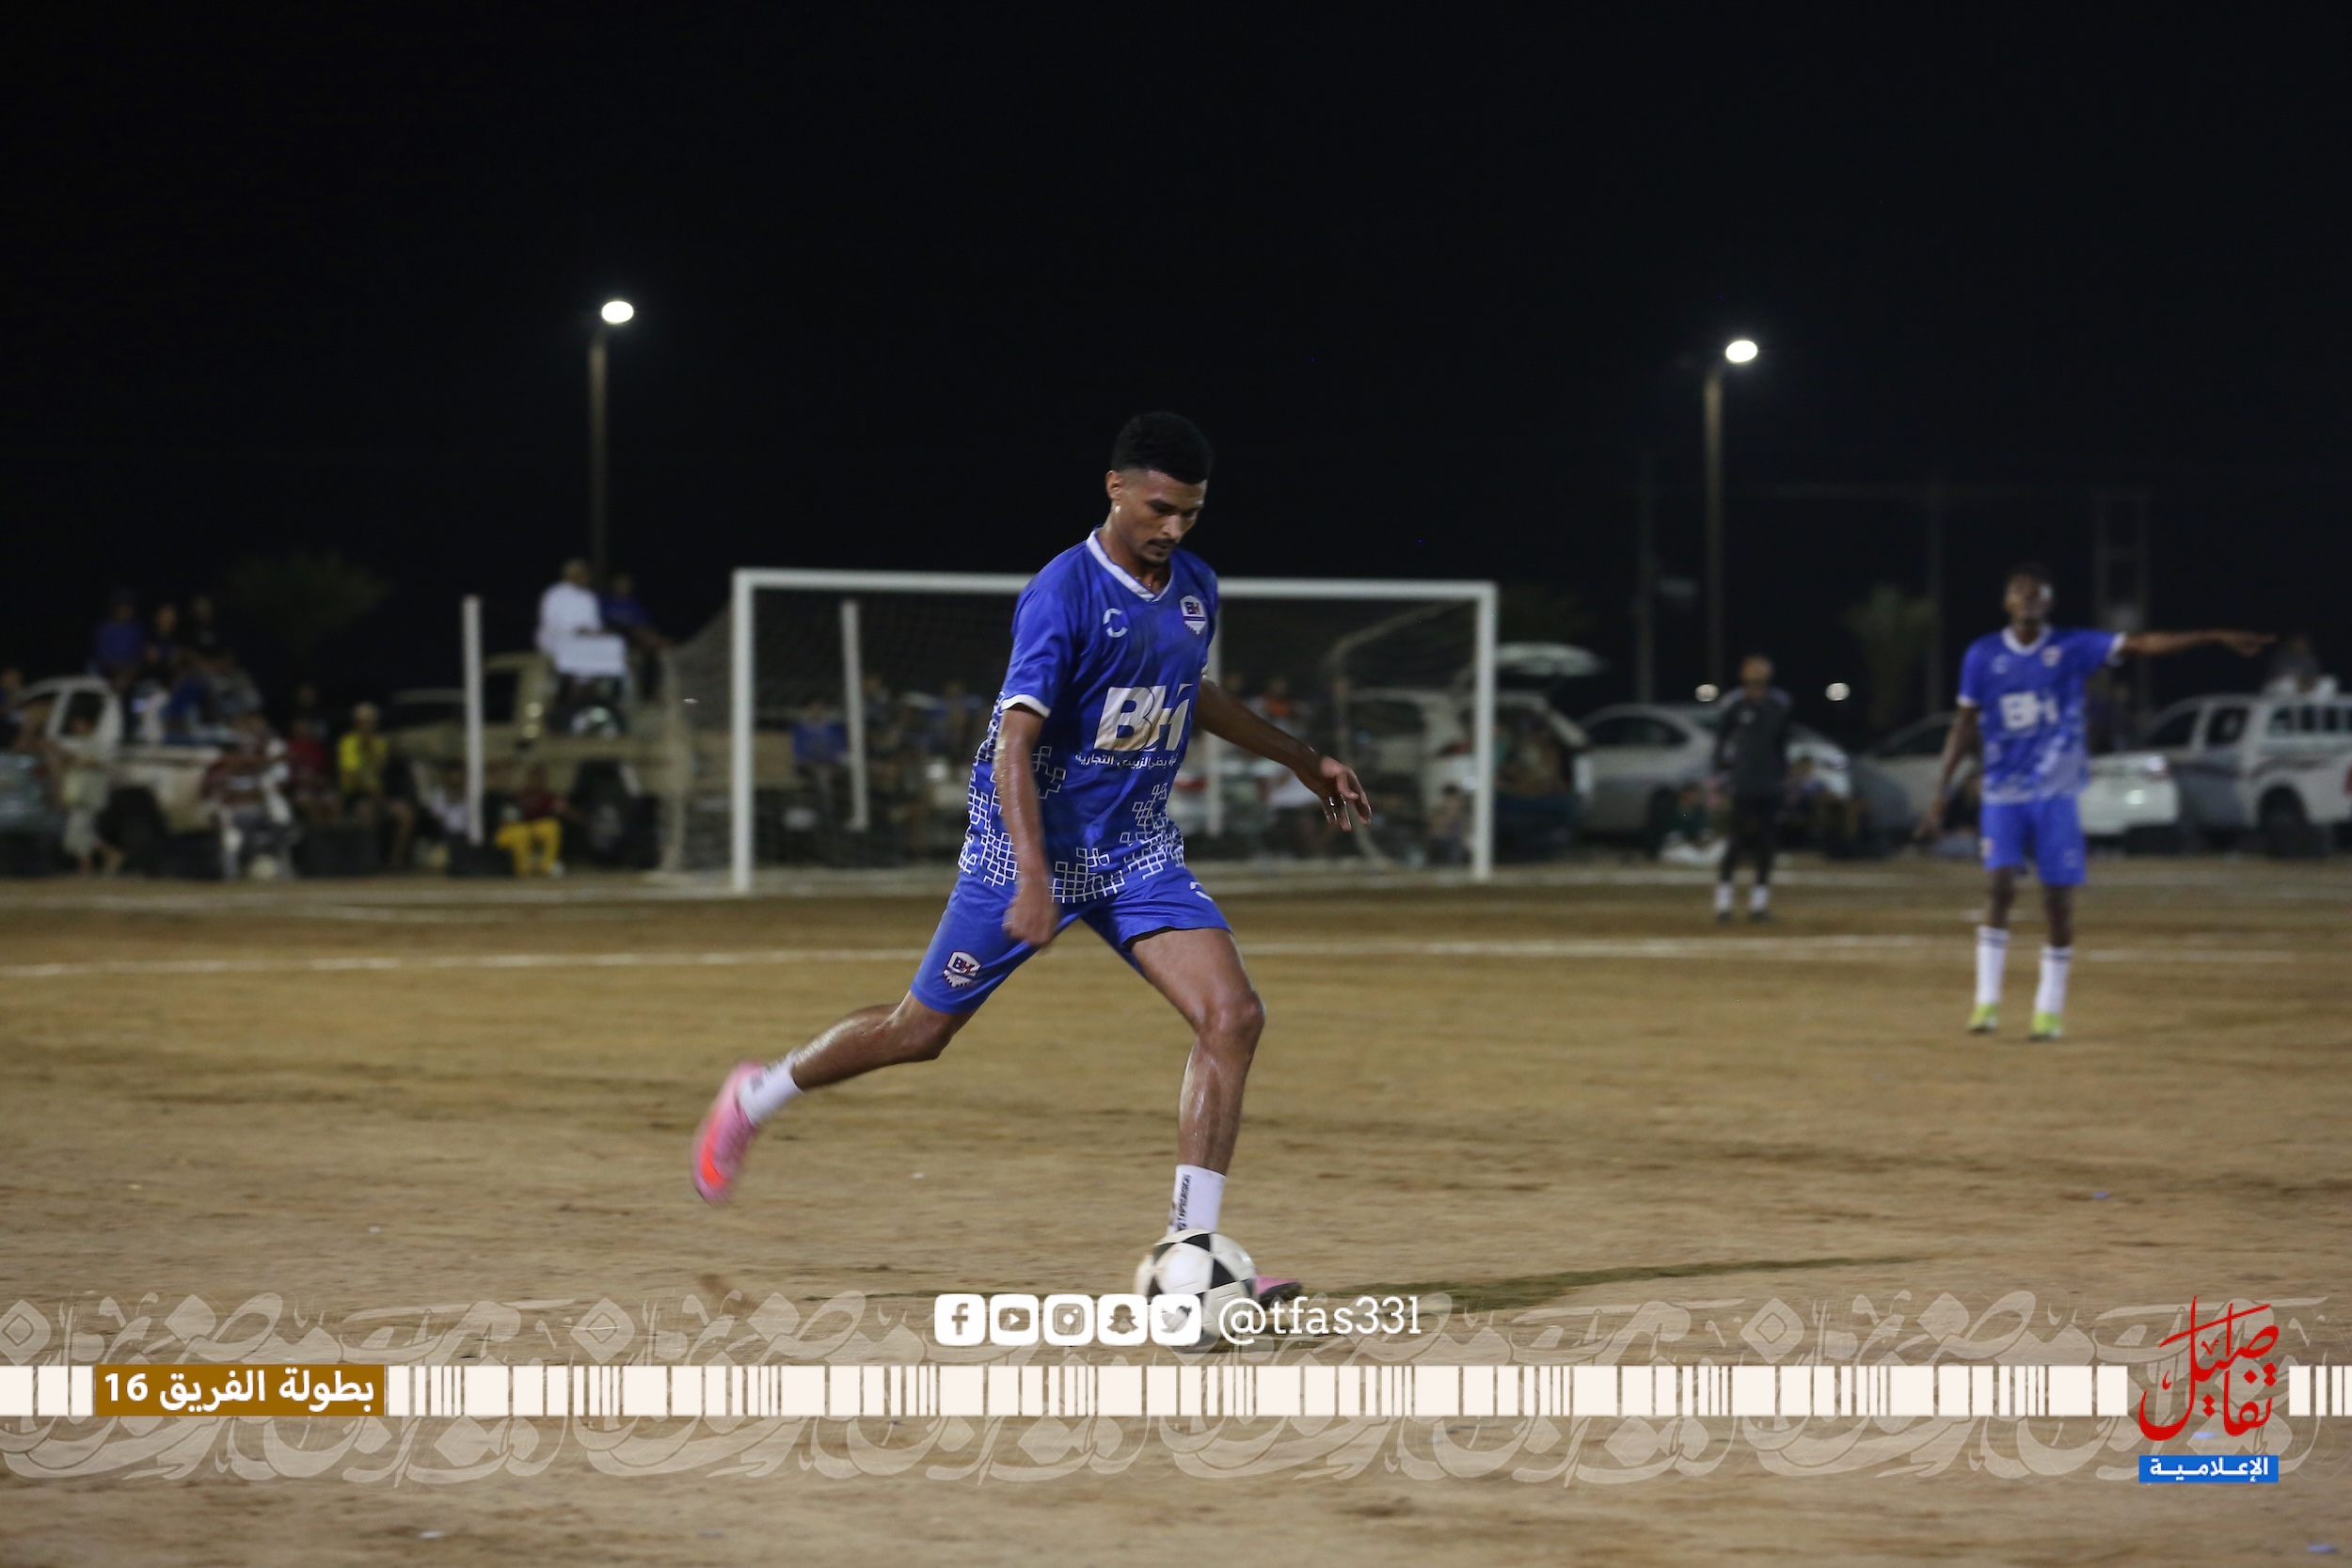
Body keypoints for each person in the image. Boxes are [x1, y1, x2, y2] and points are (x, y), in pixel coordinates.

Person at [691, 413, 1373, 1306]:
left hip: (1134, 848)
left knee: (1233, 1015)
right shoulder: (1062, 592)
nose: (1174, 528)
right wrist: (1034, 875)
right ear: (1116, 488)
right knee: (918, 1033)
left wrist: (1301, 757)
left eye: (1191, 513)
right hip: (1022, 847)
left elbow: (1189, 689)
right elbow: (1015, 743)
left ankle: (1189, 1253)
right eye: (1160, 509)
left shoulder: (1196, 584)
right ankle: (756, 1095)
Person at [1918, 563, 2269, 1039]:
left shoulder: (2073, 646)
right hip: (2003, 793)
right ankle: (1986, 1004)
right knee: (1999, 887)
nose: (2029, 598)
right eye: (2020, 592)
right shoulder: (1983, 654)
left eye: (2038, 593)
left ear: (2049, 602)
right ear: (2007, 602)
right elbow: (1964, 724)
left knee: (2057, 902)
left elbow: (2143, 644)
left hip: (2056, 793)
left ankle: (2048, 1010)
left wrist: (2213, 636)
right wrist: (1940, 794)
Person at [1710, 655, 1792, 922]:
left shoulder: (1779, 703)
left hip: (1770, 783)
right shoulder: (1734, 703)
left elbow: (1782, 745)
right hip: (1743, 782)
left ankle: (1759, 904)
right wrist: (1719, 778)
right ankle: (1723, 904)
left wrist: (1784, 778)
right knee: (1736, 841)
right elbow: (1721, 743)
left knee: (1767, 844)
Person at [338, 702, 415, 870]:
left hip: (379, 794)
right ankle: (370, 861)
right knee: (366, 812)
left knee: (405, 813)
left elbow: (380, 771)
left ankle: (395, 860)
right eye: (364, 721)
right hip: (355, 795)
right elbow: (354, 775)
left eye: (371, 721)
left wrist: (371, 750)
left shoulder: (380, 743)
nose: (368, 725)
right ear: (357, 723)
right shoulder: (348, 743)